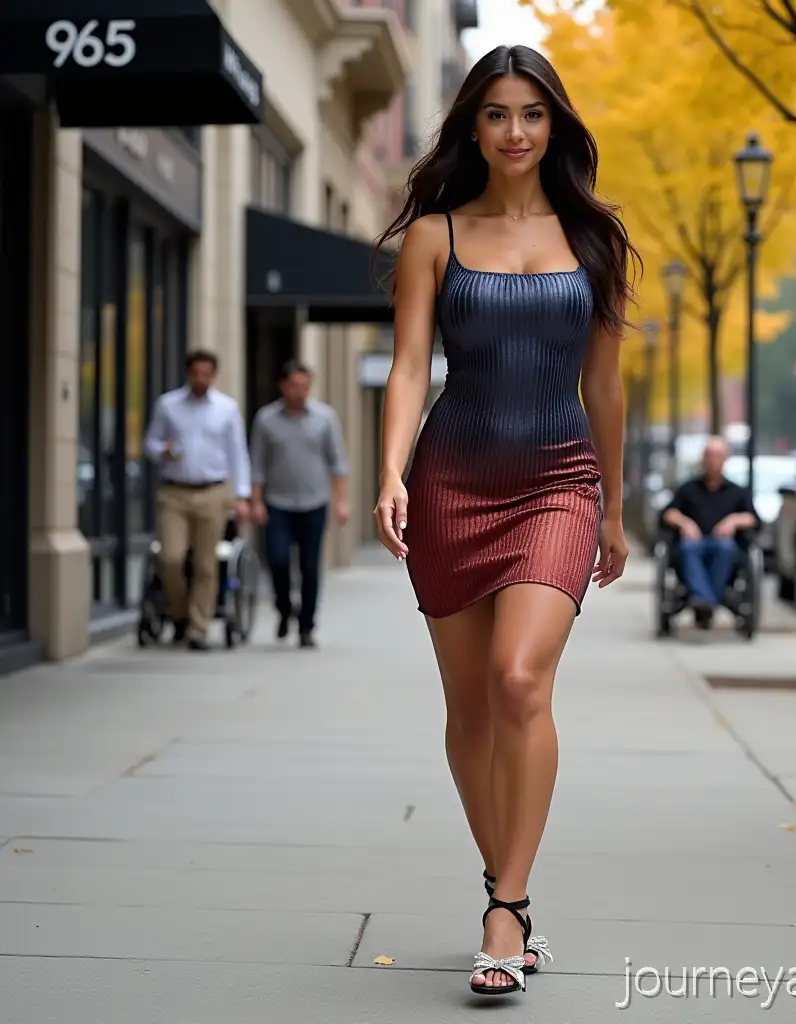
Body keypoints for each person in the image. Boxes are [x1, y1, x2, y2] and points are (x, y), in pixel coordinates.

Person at [371, 44, 639, 998]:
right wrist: (392, 473)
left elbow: (604, 383)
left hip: (559, 480)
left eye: (532, 113)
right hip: (451, 481)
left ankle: (506, 910)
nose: (516, 131)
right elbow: (409, 368)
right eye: (496, 114)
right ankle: (506, 881)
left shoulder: (595, 237)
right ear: (472, 127)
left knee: (520, 676)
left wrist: (614, 504)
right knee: (471, 709)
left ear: (554, 123)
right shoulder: (436, 236)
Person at [144, 350, 251, 650]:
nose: (201, 379)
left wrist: (241, 495)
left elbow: (237, 453)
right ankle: (179, 613)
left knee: (207, 564)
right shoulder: (168, 405)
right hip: (174, 492)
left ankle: (197, 628)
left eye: (207, 373)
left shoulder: (226, 409)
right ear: (188, 374)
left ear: (213, 375)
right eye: (196, 373)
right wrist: (162, 449)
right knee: (171, 558)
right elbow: (149, 443)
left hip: (212, 493)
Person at [249, 359, 351, 648]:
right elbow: (257, 464)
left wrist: (341, 501)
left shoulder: (325, 418)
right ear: (283, 386)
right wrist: (256, 501)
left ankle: (306, 626)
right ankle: (284, 608)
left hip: (314, 502)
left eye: (305, 386)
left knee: (309, 566)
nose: (300, 391)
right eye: (295, 385)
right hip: (277, 503)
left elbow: (338, 463)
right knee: (278, 560)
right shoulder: (266, 420)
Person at [660, 437, 759, 628]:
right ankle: (707, 599)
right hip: (694, 544)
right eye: (709, 456)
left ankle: (702, 600)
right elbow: (668, 513)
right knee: (688, 548)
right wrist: (685, 523)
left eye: (718, 456)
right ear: (703, 459)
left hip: (724, 546)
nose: (713, 461)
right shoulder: (688, 489)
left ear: (725, 459)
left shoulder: (737, 492)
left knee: (726, 548)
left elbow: (753, 518)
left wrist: (733, 521)